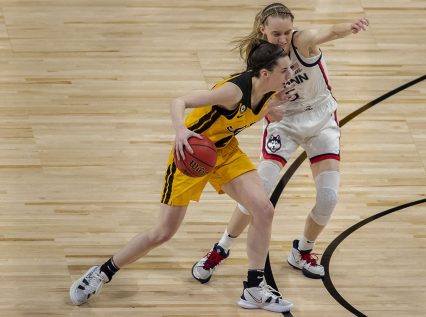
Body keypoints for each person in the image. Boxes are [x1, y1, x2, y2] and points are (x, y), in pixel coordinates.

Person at [69, 40, 297, 313]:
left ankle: (253, 289)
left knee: (263, 210)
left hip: (224, 152)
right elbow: (179, 101)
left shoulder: (267, 92)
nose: (290, 75)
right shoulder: (232, 92)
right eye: (284, 71)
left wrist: (275, 107)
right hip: (191, 155)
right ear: (264, 73)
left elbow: (256, 110)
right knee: (162, 233)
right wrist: (180, 131)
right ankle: (102, 272)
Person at [192, 3, 369, 283]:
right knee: (257, 195)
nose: (283, 39)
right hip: (284, 124)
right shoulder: (258, 59)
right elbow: (255, 99)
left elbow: (329, 32)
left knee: (328, 198)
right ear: (263, 30)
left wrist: (350, 27)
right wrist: (271, 103)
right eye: (276, 34)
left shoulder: (302, 42)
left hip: (321, 120)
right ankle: (221, 248)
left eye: (287, 32)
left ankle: (303, 251)